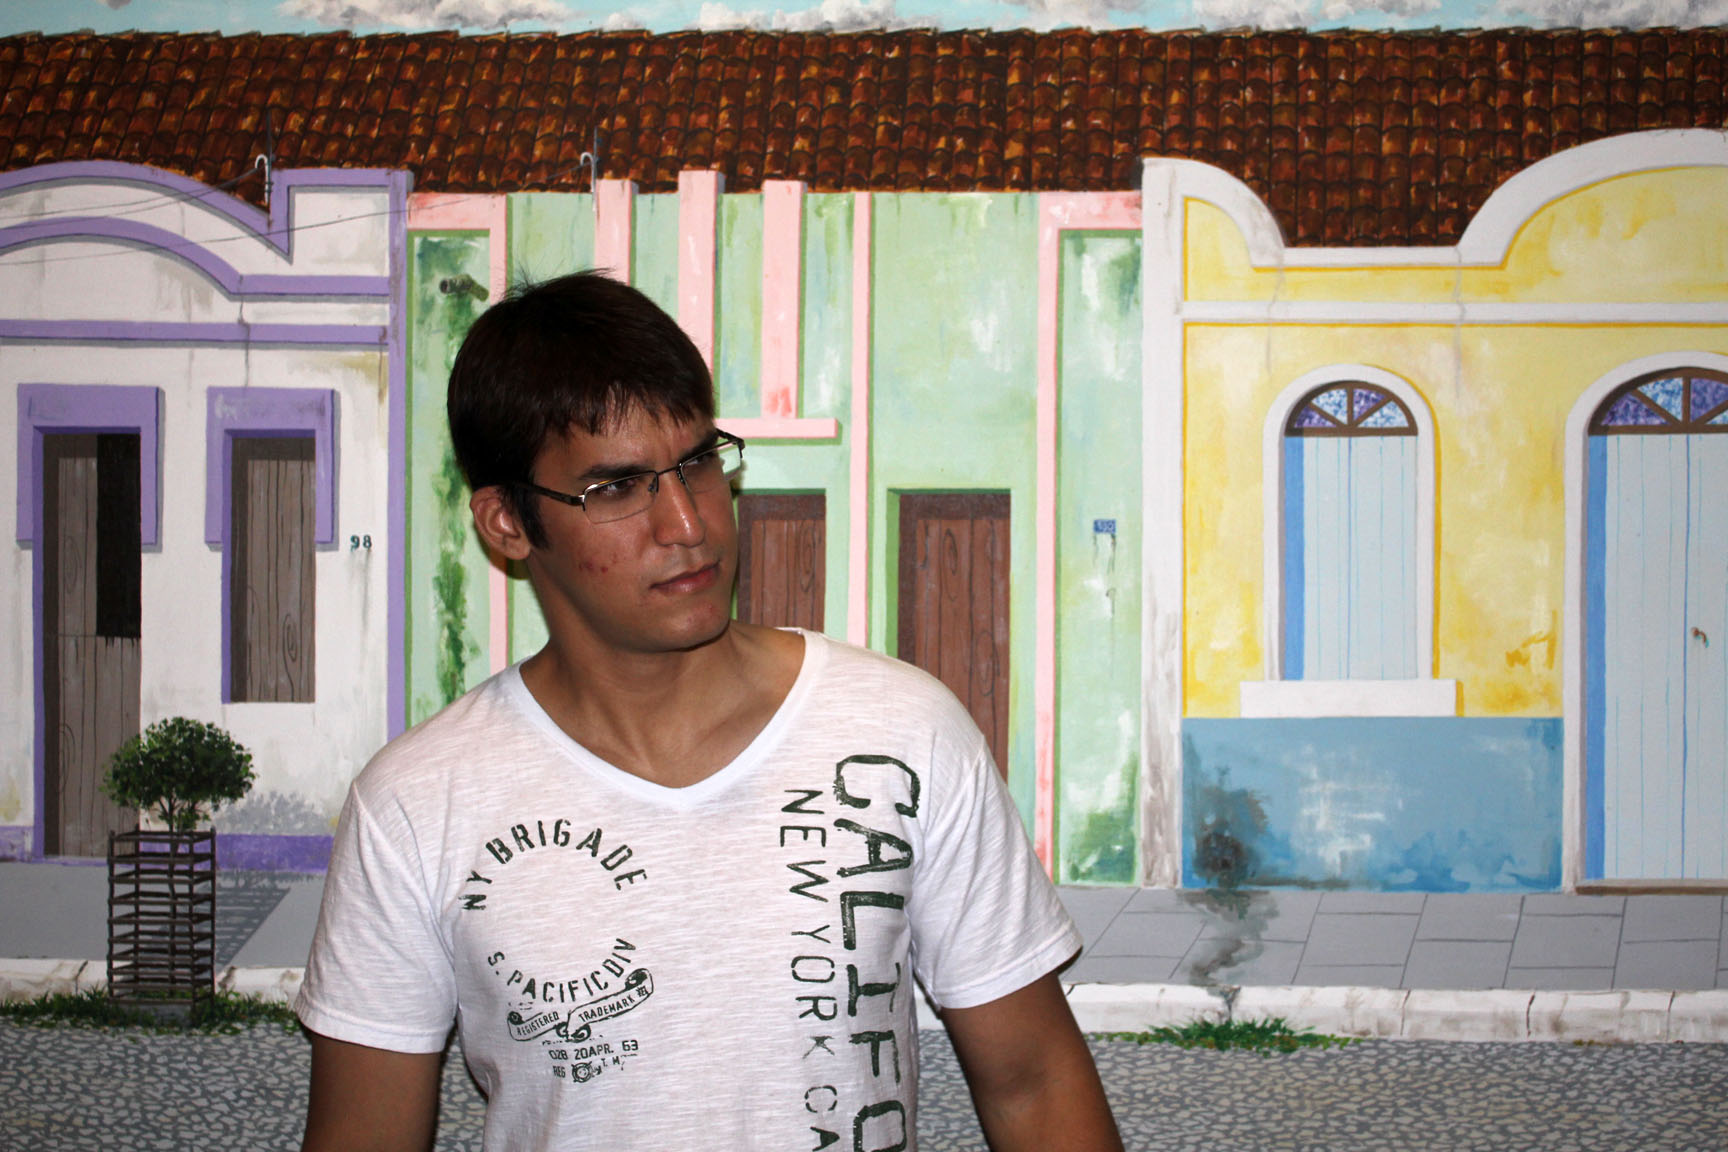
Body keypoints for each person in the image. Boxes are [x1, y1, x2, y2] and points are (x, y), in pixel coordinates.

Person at [295, 270, 1122, 1152]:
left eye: (697, 462)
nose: (688, 523)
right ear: (507, 524)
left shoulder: (901, 733)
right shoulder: (418, 804)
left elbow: (1036, 1085)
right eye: (617, 489)